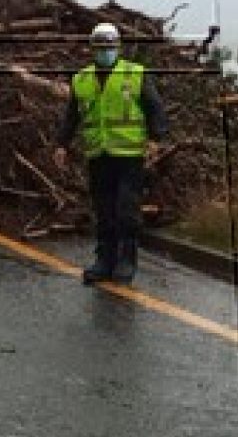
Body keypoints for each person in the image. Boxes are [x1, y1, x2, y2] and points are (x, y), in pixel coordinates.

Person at [52, 22, 168, 285]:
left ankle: (126, 261)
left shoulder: (134, 74)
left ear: (118, 47)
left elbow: (155, 109)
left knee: (126, 210)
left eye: (110, 47)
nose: (105, 51)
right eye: (101, 47)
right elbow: (71, 116)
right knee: (103, 210)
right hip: (98, 154)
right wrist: (61, 144)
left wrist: (155, 139)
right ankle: (104, 260)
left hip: (129, 156)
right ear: (92, 48)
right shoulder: (81, 79)